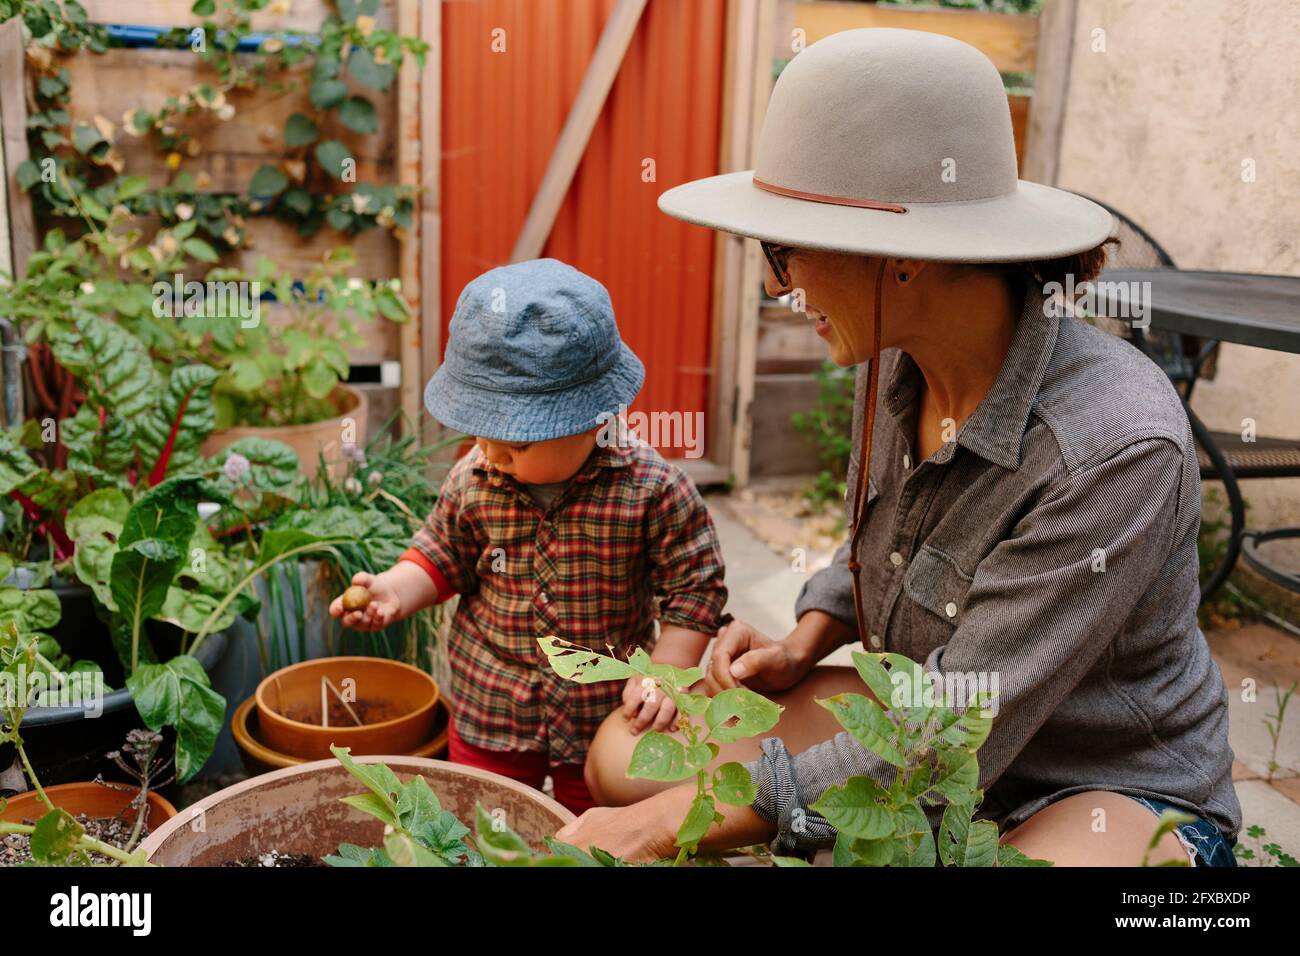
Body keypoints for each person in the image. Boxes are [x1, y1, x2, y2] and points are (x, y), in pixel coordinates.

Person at [561, 28, 1242, 866]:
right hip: (926, 705)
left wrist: (668, 826)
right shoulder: (890, 358)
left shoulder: (1115, 451)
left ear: (907, 258)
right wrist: (808, 635)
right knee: (623, 758)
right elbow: (884, 538)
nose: (776, 287)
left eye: (783, 251)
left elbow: (948, 736)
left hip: (1094, 781)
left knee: (670, 809)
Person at [329, 258, 727, 815]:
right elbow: (443, 552)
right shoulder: (474, 476)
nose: (490, 453)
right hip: (492, 707)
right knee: (483, 820)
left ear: (593, 417)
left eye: (514, 444)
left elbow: (694, 592)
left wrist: (663, 675)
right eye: (480, 433)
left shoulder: (652, 489)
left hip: (604, 714)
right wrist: (398, 588)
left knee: (596, 830)